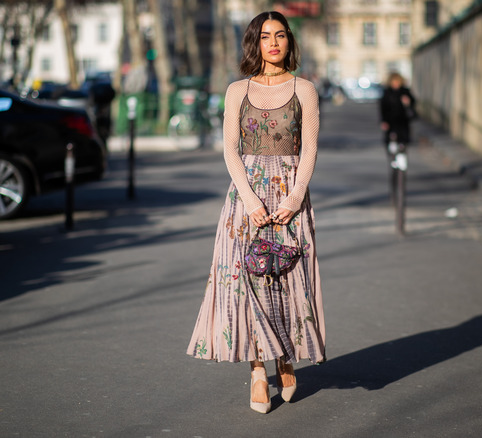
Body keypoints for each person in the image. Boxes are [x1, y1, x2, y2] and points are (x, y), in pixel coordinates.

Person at [187, 11, 326, 414]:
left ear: (289, 41)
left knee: (287, 281)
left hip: (289, 197)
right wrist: (250, 200)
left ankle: (286, 357)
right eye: (266, 36)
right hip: (246, 199)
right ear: (255, 42)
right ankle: (256, 371)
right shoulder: (236, 91)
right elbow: (230, 149)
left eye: (280, 35)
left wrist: (294, 197)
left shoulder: (305, 89)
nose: (274, 43)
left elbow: (310, 148)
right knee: (245, 282)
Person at [379, 72, 416, 158]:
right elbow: (383, 108)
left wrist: (408, 102)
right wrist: (383, 121)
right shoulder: (387, 92)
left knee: (402, 141)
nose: (396, 84)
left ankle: (402, 155)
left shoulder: (405, 91)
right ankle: (393, 159)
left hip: (403, 121)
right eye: (394, 82)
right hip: (390, 121)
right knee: (391, 141)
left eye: (397, 82)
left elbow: (413, 103)